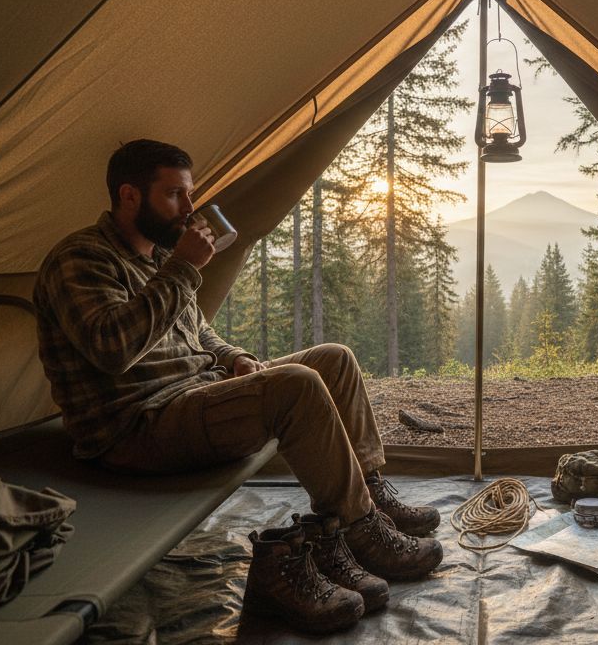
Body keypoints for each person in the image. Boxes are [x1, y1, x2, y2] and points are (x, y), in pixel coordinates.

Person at [33, 139, 441, 633]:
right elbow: (111, 349)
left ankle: (369, 497)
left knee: (333, 359)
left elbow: (197, 331)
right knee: (296, 384)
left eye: (189, 195)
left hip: (194, 397)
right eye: (175, 195)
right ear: (129, 196)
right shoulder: (81, 260)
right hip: (139, 426)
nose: (189, 208)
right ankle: (359, 531)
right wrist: (183, 268)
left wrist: (236, 358)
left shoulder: (157, 257)